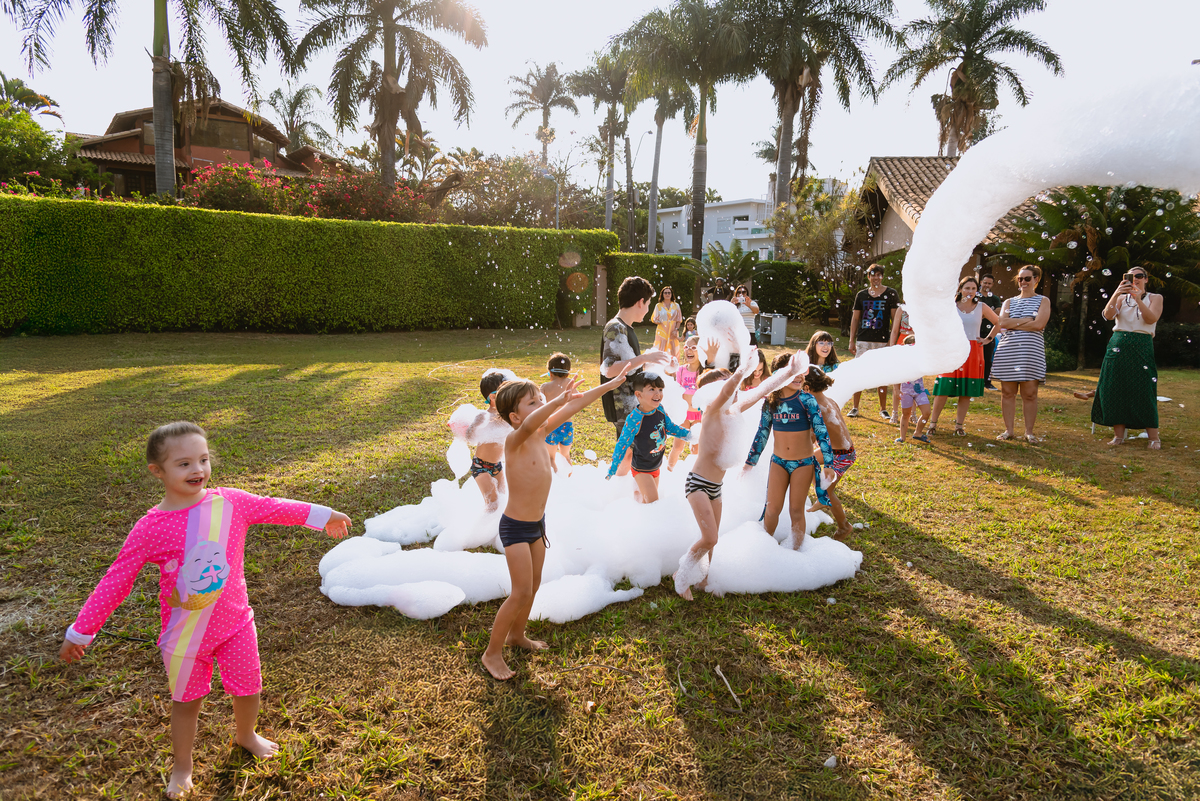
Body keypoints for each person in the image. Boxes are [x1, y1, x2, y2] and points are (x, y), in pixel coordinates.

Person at [58, 422, 351, 798]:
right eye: (183, 464)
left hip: (236, 625)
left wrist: (324, 515)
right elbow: (116, 581)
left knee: (248, 688)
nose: (197, 469)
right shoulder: (149, 528)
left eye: (203, 459)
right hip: (184, 640)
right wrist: (81, 632)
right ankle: (182, 767)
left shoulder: (230, 503)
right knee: (186, 703)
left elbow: (274, 507)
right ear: (157, 471)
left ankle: (246, 735)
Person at [483, 369, 629, 681]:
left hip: (537, 526)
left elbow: (577, 404)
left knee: (534, 586)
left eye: (540, 400)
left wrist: (610, 386)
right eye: (533, 403)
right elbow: (542, 416)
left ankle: (517, 635)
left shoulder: (541, 431)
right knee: (520, 592)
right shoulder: (515, 439)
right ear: (514, 416)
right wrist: (558, 399)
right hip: (515, 528)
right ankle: (491, 653)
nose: (541, 405)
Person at [674, 350, 810, 599]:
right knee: (709, 537)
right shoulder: (712, 411)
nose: (734, 390)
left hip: (716, 488)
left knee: (712, 540)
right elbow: (726, 392)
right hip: (698, 484)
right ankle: (681, 577)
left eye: (734, 386)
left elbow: (762, 390)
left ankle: (703, 579)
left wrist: (789, 372)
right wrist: (741, 371)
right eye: (727, 386)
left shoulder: (733, 412)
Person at [744, 352, 836, 550]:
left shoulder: (807, 400)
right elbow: (762, 433)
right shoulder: (771, 402)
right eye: (793, 371)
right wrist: (750, 461)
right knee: (772, 509)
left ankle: (795, 551)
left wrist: (828, 463)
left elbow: (821, 431)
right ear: (780, 375)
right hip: (779, 462)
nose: (799, 376)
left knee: (796, 510)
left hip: (803, 463)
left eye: (801, 371)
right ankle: (765, 549)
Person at [600, 276, 671, 475]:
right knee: (627, 453)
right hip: (622, 403)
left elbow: (630, 366)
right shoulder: (616, 327)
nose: (647, 309)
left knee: (632, 452)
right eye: (648, 304)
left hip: (631, 401)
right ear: (640, 302)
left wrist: (651, 360)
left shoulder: (625, 327)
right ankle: (618, 488)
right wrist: (645, 358)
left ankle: (626, 488)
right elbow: (609, 369)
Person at [1092, 268, 1163, 449]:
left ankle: (1154, 437)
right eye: (1131, 276)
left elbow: (1151, 319)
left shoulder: (1155, 298)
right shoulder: (1121, 298)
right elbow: (1108, 315)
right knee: (1115, 388)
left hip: (1141, 343)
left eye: (1139, 276)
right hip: (1118, 343)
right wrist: (1117, 293)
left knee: (1144, 388)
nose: (1135, 279)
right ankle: (1118, 435)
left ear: (1146, 279)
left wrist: (1138, 299)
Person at [927, 276, 1000, 436]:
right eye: (967, 288)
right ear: (960, 289)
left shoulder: (981, 307)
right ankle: (932, 424)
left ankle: (959, 426)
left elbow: (999, 322)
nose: (970, 291)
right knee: (943, 388)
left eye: (973, 288)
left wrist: (988, 339)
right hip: (952, 350)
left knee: (966, 390)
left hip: (973, 351)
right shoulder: (951, 306)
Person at [607, 372, 692, 503]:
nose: (658, 394)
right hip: (641, 468)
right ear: (638, 394)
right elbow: (622, 443)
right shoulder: (634, 419)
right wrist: (614, 466)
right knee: (654, 502)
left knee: (647, 503)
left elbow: (670, 427)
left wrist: (689, 435)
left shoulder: (660, 409)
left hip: (655, 466)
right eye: (652, 389)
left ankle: (638, 507)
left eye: (660, 389)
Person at [991, 265, 1050, 442]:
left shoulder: (1043, 300)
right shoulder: (1009, 302)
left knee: (1030, 394)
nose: (1023, 282)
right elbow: (1002, 323)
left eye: (1027, 278)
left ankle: (1029, 432)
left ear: (1036, 280)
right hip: (1008, 351)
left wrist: (1014, 323)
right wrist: (1026, 320)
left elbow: (1039, 325)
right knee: (1007, 393)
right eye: (1020, 279)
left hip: (1031, 352)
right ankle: (1009, 431)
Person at [802, 367, 856, 539]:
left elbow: (811, 436)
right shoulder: (829, 400)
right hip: (841, 449)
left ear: (807, 388)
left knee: (828, 493)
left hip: (841, 456)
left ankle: (844, 526)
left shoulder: (816, 408)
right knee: (809, 460)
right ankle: (819, 489)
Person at [848, 264, 900, 419]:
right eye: (873, 274)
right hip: (863, 340)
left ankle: (883, 409)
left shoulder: (891, 294)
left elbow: (895, 320)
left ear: (882, 276)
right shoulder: (861, 295)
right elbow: (855, 319)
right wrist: (851, 340)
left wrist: (891, 341)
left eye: (879, 275)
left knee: (882, 375)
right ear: (868, 276)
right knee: (858, 373)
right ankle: (855, 407)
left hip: (882, 341)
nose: (876, 277)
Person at [467, 369, 512, 511]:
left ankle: (498, 523)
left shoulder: (508, 416)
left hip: (497, 466)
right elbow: (470, 438)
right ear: (492, 397)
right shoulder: (484, 417)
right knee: (493, 504)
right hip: (481, 466)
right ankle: (485, 525)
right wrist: (475, 425)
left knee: (504, 499)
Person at [541, 353, 576, 471]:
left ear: (550, 373)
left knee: (550, 458)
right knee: (566, 456)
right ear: (568, 373)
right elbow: (578, 399)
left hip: (551, 426)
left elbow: (539, 405)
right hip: (567, 427)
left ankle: (555, 479)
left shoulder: (545, 387)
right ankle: (569, 478)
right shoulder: (570, 384)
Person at [895, 336, 932, 443]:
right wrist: (897, 389)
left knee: (927, 412)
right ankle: (902, 437)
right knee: (906, 414)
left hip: (919, 391)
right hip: (906, 392)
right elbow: (896, 376)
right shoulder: (902, 362)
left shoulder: (921, 360)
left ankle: (918, 433)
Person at [887, 302, 914, 421]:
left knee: (914, 380)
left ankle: (913, 413)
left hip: (915, 342)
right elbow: (894, 330)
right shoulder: (901, 309)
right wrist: (892, 348)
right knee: (897, 379)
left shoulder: (922, 306)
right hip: (902, 341)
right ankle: (895, 412)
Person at [976, 272, 1003, 389]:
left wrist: (984, 314)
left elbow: (998, 312)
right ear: (981, 282)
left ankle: (987, 382)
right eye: (985, 282)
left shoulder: (994, 299)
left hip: (989, 332)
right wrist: (987, 313)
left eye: (989, 283)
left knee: (987, 358)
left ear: (992, 285)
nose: (987, 285)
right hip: (975, 331)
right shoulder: (975, 296)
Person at [651, 286, 683, 358]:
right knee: (661, 349)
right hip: (662, 330)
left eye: (669, 293)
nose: (667, 294)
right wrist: (659, 321)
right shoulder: (658, 306)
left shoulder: (676, 305)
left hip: (673, 331)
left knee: (673, 349)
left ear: (671, 294)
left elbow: (679, 320)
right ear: (662, 294)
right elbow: (654, 318)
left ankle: (673, 364)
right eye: (665, 293)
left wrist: (676, 330)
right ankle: (660, 364)